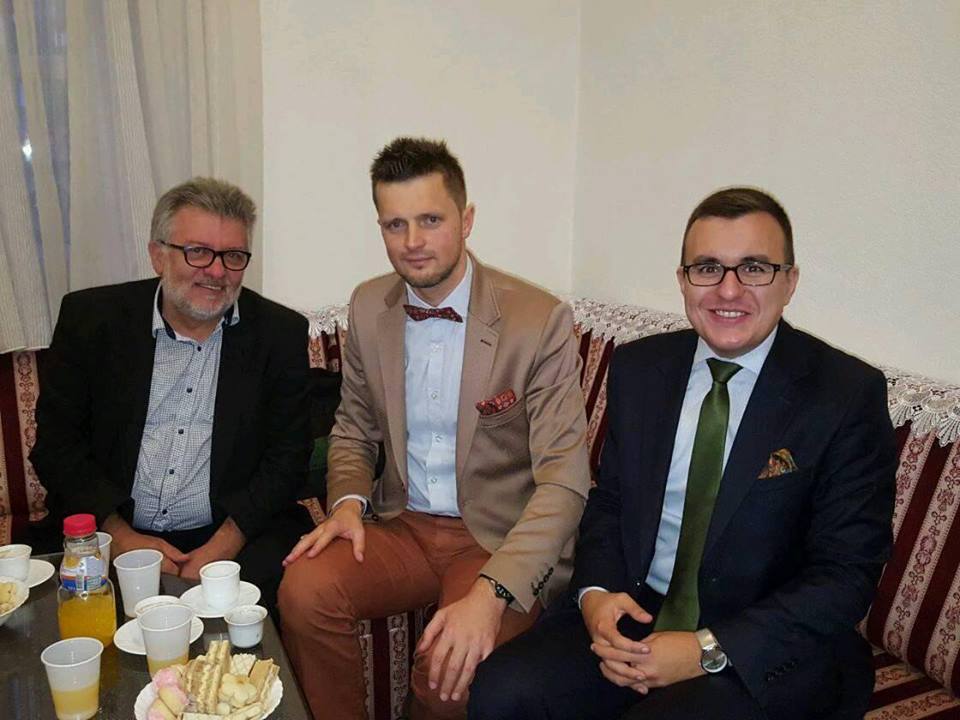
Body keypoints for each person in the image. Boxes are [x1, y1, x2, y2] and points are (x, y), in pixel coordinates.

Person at [469, 187, 897, 720]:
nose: (728, 289)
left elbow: (846, 573)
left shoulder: (844, 394)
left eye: (755, 268)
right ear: (683, 280)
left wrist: (706, 649)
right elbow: (611, 501)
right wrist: (596, 596)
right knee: (502, 691)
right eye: (707, 268)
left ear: (789, 281)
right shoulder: (640, 368)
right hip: (638, 610)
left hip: (767, 644)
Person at [278, 137, 591, 720]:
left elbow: (564, 483)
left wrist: (496, 591)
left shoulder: (537, 320)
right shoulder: (368, 305)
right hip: (403, 525)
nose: (413, 241)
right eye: (395, 224)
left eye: (430, 220)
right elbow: (353, 429)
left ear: (466, 220)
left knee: (451, 675)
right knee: (304, 591)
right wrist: (346, 504)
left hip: (495, 538)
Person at [30, 177, 312, 613]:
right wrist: (122, 539)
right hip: (109, 526)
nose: (216, 271)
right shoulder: (92, 321)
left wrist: (224, 544)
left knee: (249, 629)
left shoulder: (279, 334)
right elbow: (56, 447)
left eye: (233, 256)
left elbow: (288, 457)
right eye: (197, 251)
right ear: (158, 254)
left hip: (234, 531)